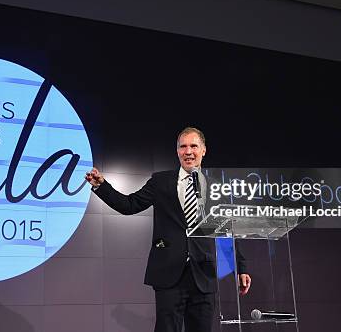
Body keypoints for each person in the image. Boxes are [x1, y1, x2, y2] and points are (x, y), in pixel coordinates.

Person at [85, 127, 251, 332]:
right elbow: (130, 205)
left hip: (204, 274)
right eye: (183, 146)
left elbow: (229, 231)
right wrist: (101, 186)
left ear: (204, 150)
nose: (188, 151)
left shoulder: (217, 187)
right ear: (177, 151)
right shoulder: (160, 181)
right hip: (169, 274)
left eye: (193, 146)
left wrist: (241, 268)